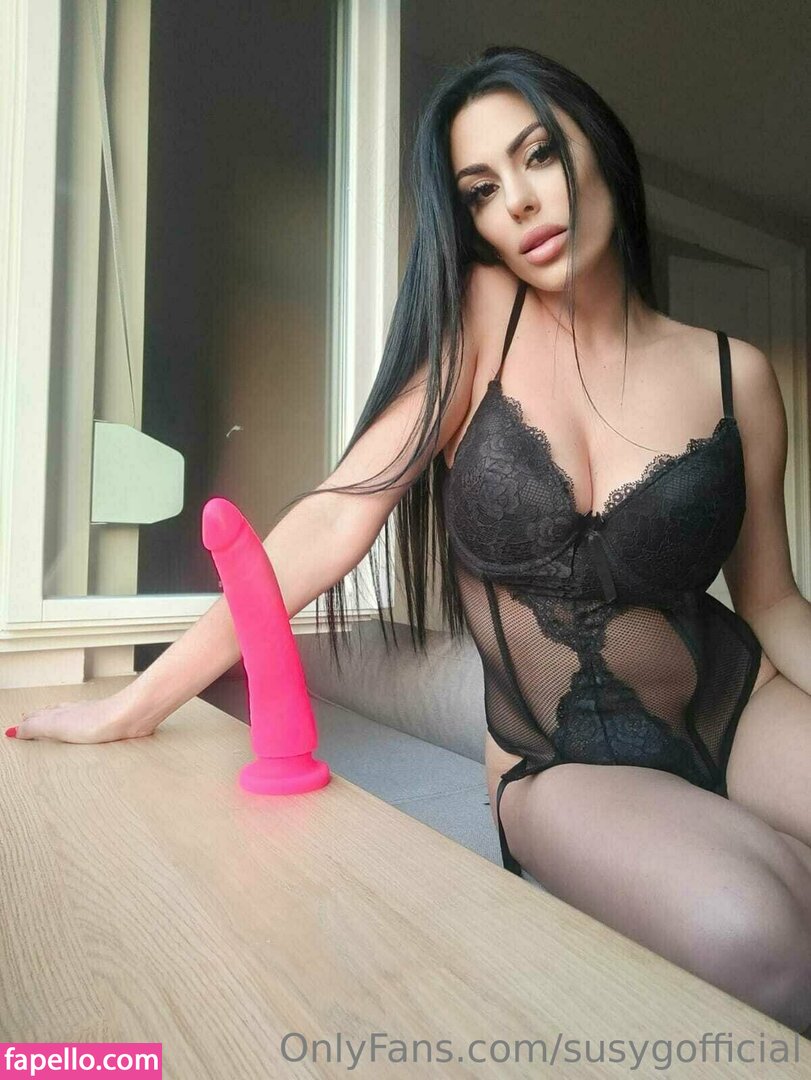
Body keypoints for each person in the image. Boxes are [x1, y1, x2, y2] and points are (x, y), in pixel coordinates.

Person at [9, 46, 811, 1032]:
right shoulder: (481, 320)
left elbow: (772, 601)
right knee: (759, 940)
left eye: (538, 154)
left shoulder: (736, 374)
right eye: (482, 189)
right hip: (562, 757)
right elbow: (335, 517)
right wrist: (136, 701)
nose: (519, 202)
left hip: (740, 705)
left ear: (597, 149)